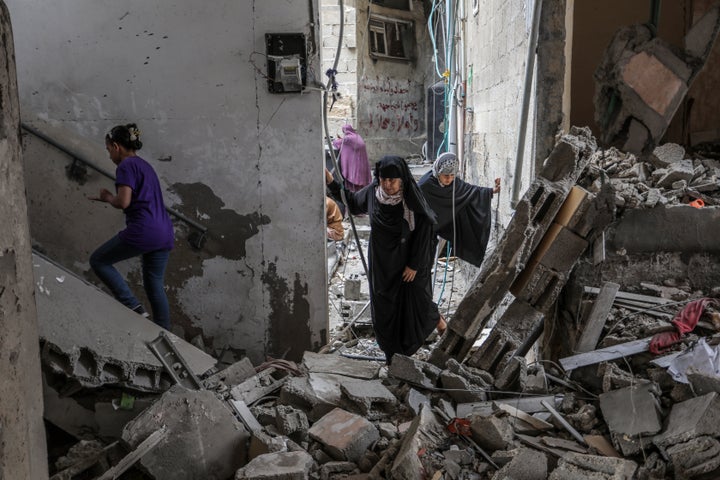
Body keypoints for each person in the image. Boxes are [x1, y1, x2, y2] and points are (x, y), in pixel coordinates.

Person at [326, 156, 441, 364]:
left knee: (416, 304)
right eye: (383, 179)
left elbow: (425, 228)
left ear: (402, 180)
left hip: (407, 263)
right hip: (381, 263)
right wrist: (331, 182)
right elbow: (352, 203)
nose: (387, 185)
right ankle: (392, 358)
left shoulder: (411, 198)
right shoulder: (372, 193)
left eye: (392, 180)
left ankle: (436, 333)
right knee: (384, 308)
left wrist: (414, 264)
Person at [88, 124, 174, 330]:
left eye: (109, 150)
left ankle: (133, 307)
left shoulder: (125, 166)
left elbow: (124, 201)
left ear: (116, 146)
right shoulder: (146, 166)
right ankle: (166, 333)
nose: (109, 155)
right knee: (154, 284)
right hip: (165, 232)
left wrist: (108, 197)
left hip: (144, 230)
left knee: (98, 260)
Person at [418, 152, 501, 268]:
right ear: (438, 172)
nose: (449, 179)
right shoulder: (425, 186)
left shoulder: (454, 183)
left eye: (452, 175)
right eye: (446, 175)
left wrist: (492, 191)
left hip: (439, 229)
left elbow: (470, 191)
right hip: (423, 232)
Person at [332, 123, 372, 192]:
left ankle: (353, 194)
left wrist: (337, 139)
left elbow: (336, 143)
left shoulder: (348, 139)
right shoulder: (357, 136)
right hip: (362, 164)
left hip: (355, 166)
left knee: (353, 181)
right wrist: (343, 139)